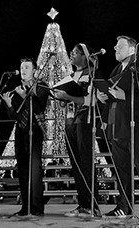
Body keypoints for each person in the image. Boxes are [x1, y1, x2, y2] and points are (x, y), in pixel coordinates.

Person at [54, 43, 102, 217]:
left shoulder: (92, 74)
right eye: (71, 52)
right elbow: (67, 100)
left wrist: (68, 96)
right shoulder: (72, 75)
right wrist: (62, 99)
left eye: (75, 52)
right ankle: (82, 204)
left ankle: (93, 205)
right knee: (76, 165)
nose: (71, 54)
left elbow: (90, 101)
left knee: (86, 164)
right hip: (70, 123)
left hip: (84, 122)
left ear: (85, 56)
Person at [97, 35, 139, 217]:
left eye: (120, 46)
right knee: (122, 169)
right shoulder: (116, 69)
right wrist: (102, 98)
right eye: (115, 45)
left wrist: (127, 97)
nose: (115, 48)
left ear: (132, 49)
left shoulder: (136, 68)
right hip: (117, 127)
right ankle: (124, 206)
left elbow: (130, 94)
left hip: (134, 126)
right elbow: (112, 95)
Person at [1, 58, 49, 216]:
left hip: (35, 128)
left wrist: (25, 95)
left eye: (27, 67)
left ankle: (36, 207)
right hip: (21, 129)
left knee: (34, 169)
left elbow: (38, 107)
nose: (23, 70)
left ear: (34, 70)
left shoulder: (41, 85)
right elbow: (14, 115)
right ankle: (25, 205)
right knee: (22, 168)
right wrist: (9, 104)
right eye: (22, 67)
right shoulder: (18, 88)